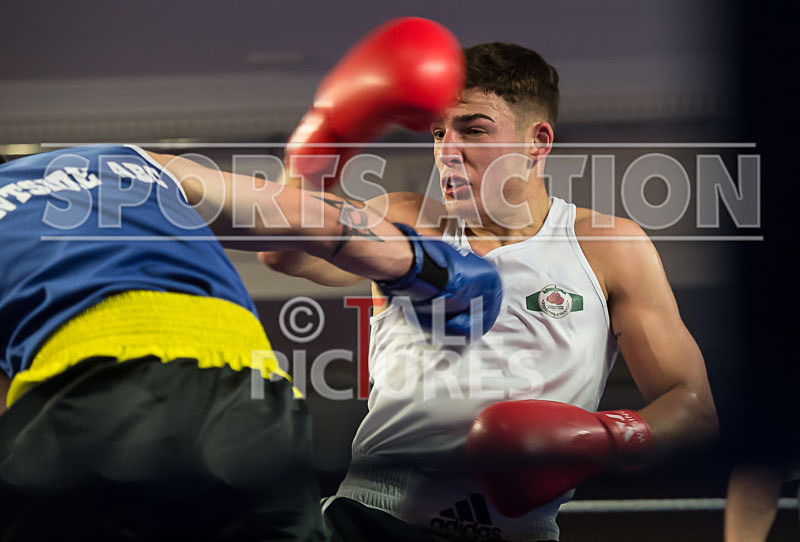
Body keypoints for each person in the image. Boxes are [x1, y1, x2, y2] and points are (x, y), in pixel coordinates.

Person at [263, 37, 720, 541]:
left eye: (473, 130)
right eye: (439, 132)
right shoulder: (405, 222)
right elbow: (284, 252)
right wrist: (326, 135)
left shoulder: (608, 246)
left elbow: (693, 407)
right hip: (371, 520)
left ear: (537, 142)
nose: (447, 152)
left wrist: (601, 438)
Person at [0, 138, 502, 540]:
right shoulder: (124, 160)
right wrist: (432, 269)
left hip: (80, 396)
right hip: (244, 394)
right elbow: (309, 217)